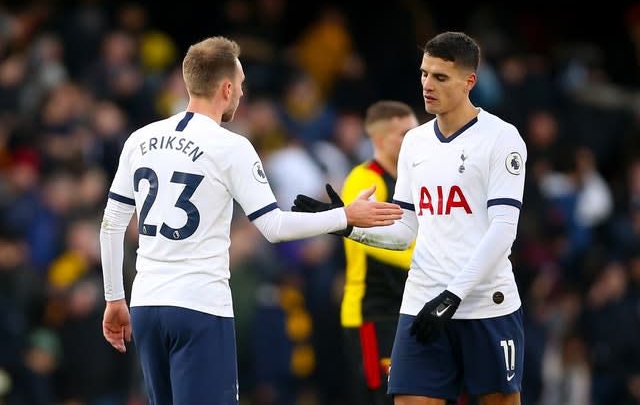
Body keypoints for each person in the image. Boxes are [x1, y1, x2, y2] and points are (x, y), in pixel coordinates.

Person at [98, 35, 403, 405]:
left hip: (146, 305)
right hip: (199, 306)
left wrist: (115, 298)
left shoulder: (139, 138)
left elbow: (112, 224)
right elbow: (273, 227)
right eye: (241, 86)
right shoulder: (231, 146)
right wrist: (345, 217)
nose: (242, 95)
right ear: (226, 88)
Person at [292, 31, 527, 405]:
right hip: (421, 301)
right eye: (423, 74)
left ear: (470, 82)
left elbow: (503, 231)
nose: (427, 85)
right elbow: (404, 230)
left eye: (440, 77)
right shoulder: (415, 143)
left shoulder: (502, 139)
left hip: (485, 302)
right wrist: (343, 223)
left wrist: (453, 295)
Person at [340, 100, 418, 405]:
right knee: (383, 398)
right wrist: (426, 261)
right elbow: (362, 238)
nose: (414, 139)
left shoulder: (412, 182)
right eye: (405, 134)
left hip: (409, 308)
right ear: (380, 139)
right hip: (373, 312)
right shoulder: (365, 180)